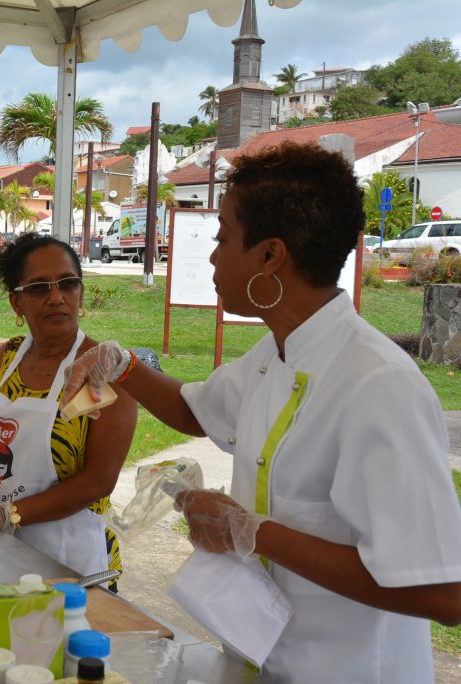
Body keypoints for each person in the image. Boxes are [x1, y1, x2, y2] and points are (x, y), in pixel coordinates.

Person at [63, 142, 461, 682]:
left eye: (224, 237)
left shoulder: (378, 385)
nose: (212, 256)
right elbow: (194, 411)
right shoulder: (278, 353)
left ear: (270, 256)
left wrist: (250, 531)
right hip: (263, 663)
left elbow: (440, 593)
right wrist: (121, 363)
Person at [0, 233, 137, 576]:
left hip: (68, 561)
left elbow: (98, 481)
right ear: (16, 303)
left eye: (67, 284)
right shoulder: (9, 355)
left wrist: (8, 513)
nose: (56, 297)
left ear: (80, 293)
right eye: (39, 288)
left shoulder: (103, 369)